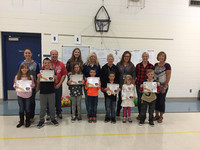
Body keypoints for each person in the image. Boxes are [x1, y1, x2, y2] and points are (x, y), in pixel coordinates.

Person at [36, 58, 59, 128]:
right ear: (43, 64)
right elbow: (38, 82)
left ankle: (53, 119)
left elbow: (57, 82)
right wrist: (38, 78)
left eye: (48, 63)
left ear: (50, 64)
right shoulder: (41, 72)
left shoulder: (53, 72)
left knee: (52, 107)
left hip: (51, 92)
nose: (47, 64)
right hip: (43, 92)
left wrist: (55, 78)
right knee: (43, 107)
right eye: (45, 63)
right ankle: (41, 120)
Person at [18, 48, 40, 122]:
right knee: (23, 102)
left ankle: (31, 116)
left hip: (32, 85)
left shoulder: (36, 63)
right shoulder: (20, 63)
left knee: (32, 101)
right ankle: (25, 116)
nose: (27, 54)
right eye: (26, 53)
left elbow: (38, 75)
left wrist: (37, 86)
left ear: (31, 54)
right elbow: (18, 75)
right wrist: (18, 86)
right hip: (23, 86)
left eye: (29, 53)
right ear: (24, 54)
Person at [13, 63, 35, 128]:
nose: (24, 69)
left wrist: (32, 86)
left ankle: (27, 121)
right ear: (21, 69)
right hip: (20, 95)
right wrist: (15, 86)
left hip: (28, 95)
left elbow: (33, 85)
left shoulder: (30, 77)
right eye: (23, 68)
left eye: (26, 68)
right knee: (21, 108)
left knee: (27, 108)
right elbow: (14, 84)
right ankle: (21, 121)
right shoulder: (17, 76)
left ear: (28, 69)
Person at [116, 51, 136, 116]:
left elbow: (133, 75)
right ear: (123, 56)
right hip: (120, 83)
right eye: (125, 56)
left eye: (128, 56)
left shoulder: (132, 65)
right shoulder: (118, 64)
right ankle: (118, 110)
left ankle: (126, 112)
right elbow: (116, 74)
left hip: (128, 84)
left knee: (127, 98)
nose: (126, 58)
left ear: (130, 57)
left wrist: (132, 85)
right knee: (120, 98)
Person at [135, 52, 154, 120]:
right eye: (143, 56)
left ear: (148, 57)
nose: (145, 57)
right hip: (139, 85)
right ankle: (141, 114)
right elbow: (135, 75)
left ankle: (150, 115)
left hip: (148, 86)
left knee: (149, 100)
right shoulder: (138, 65)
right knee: (140, 100)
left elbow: (152, 76)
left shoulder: (151, 66)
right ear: (142, 57)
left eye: (146, 56)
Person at [154, 51, 171, 123]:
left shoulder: (167, 65)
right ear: (158, 57)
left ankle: (161, 116)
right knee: (155, 101)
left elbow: (168, 76)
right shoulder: (155, 64)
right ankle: (156, 115)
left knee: (161, 101)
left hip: (163, 86)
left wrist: (164, 87)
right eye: (160, 56)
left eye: (162, 56)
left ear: (164, 57)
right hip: (155, 86)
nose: (161, 57)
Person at [66, 48, 83, 117]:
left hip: (78, 82)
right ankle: (73, 114)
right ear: (73, 53)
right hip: (72, 82)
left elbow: (82, 71)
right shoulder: (69, 61)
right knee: (73, 101)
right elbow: (66, 70)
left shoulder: (81, 62)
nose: (77, 53)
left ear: (79, 53)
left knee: (78, 101)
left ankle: (78, 114)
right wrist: (69, 73)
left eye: (78, 52)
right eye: (75, 52)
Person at [50, 50, 67, 119]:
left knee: (58, 100)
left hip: (58, 86)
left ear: (57, 55)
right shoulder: (47, 63)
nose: (54, 55)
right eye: (53, 54)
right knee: (50, 101)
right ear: (50, 55)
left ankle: (59, 112)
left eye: (56, 54)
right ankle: (50, 113)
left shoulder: (61, 64)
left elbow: (64, 75)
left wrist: (59, 84)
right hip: (49, 86)